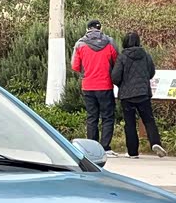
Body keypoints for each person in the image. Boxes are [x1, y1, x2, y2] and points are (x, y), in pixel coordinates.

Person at [110, 31, 167, 159]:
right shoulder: (146, 55)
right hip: (143, 93)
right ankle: (155, 143)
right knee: (149, 120)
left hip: (127, 95)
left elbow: (115, 77)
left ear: (125, 42)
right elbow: (151, 72)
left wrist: (122, 85)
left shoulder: (122, 57)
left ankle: (133, 152)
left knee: (129, 123)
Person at [71, 19, 119, 155]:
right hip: (105, 85)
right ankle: (105, 147)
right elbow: (117, 62)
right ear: (100, 28)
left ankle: (92, 149)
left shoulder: (80, 44)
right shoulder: (110, 42)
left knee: (92, 117)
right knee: (107, 117)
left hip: (88, 85)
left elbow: (74, 66)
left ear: (88, 29)